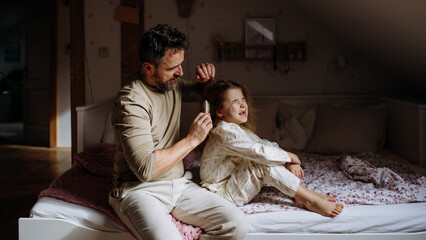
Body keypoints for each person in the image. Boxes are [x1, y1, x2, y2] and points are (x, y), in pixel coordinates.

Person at [109, 24, 248, 240]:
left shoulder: (171, 84)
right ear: (148, 68)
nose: (181, 72)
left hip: (180, 184)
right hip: (139, 190)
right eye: (173, 67)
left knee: (236, 225)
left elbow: (206, 94)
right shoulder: (131, 101)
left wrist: (207, 82)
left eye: (181, 65)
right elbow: (146, 169)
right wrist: (192, 139)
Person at [200, 80, 344, 217]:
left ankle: (306, 195)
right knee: (259, 161)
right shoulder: (224, 132)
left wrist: (287, 160)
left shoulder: (236, 130)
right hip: (221, 195)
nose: (243, 105)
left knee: (263, 157)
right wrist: (291, 156)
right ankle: (310, 200)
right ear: (219, 111)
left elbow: (263, 144)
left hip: (230, 184)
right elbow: (259, 152)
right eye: (235, 102)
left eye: (243, 100)